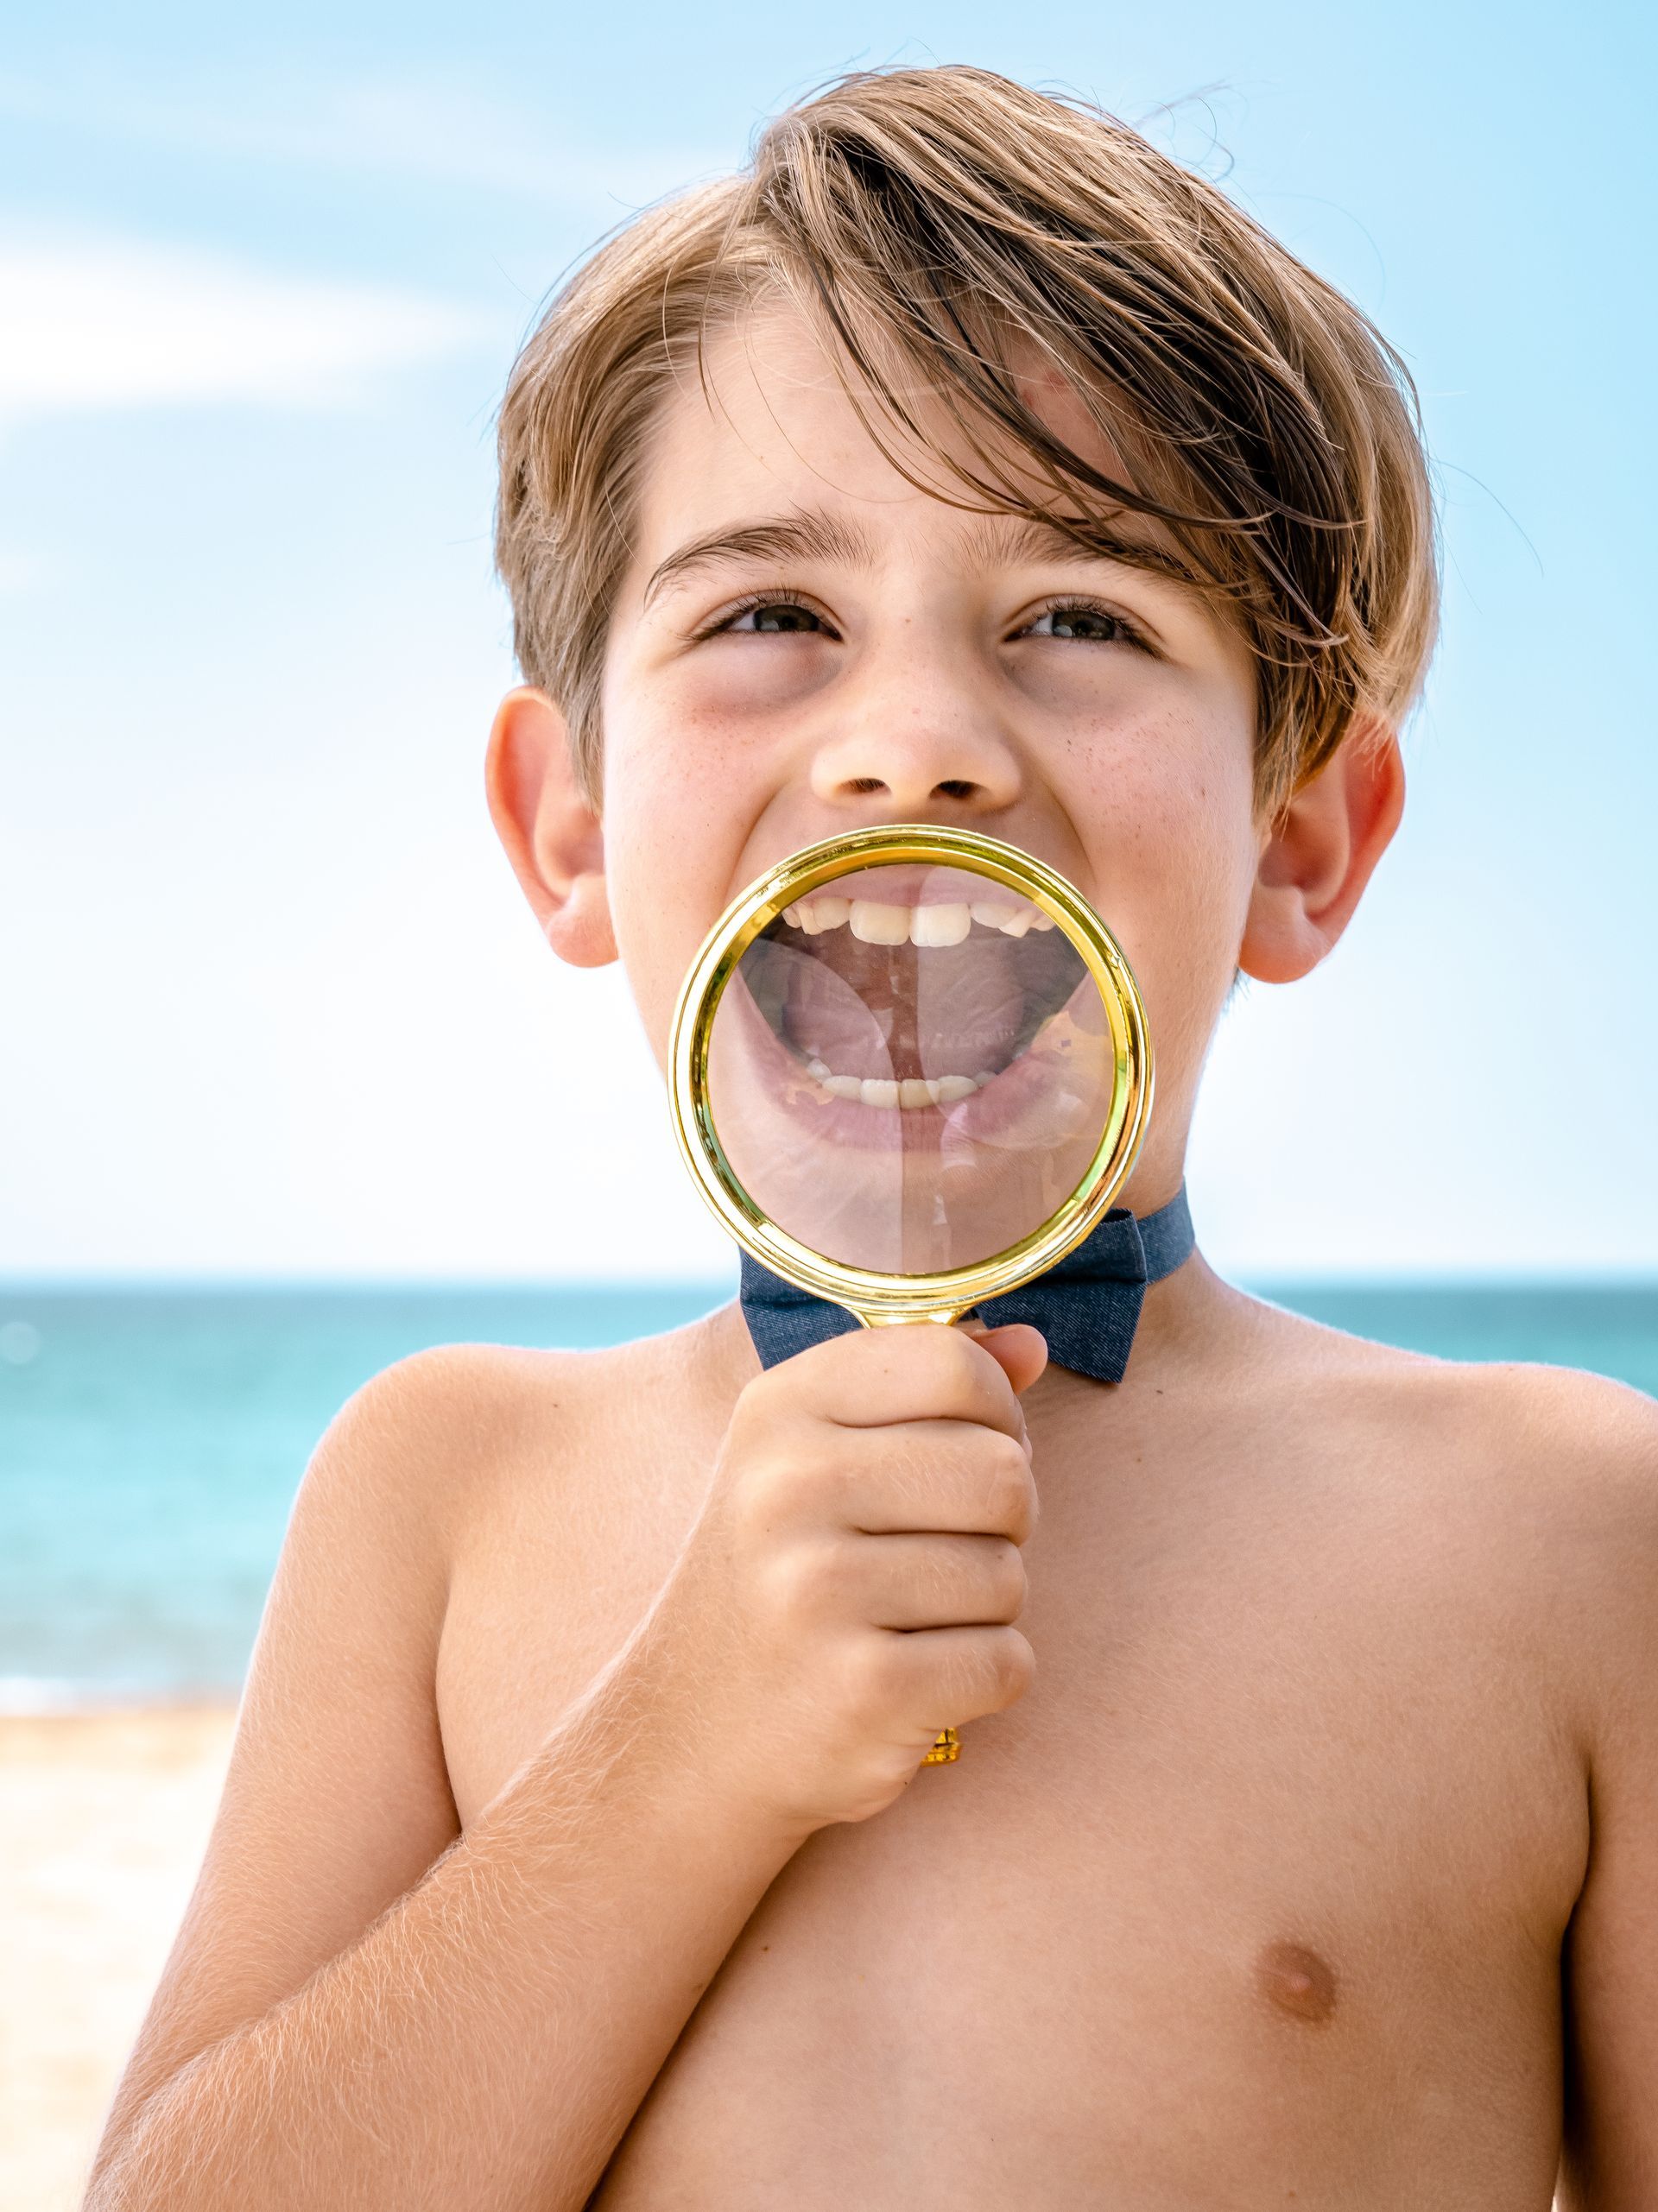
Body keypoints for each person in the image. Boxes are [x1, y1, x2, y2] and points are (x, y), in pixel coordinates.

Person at [87, 65, 1657, 2211]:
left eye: (1081, 619)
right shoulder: (445, 1490)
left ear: (1306, 838)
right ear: (567, 829)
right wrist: (677, 1751)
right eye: (771, 619)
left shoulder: (1577, 1543)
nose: (915, 741)